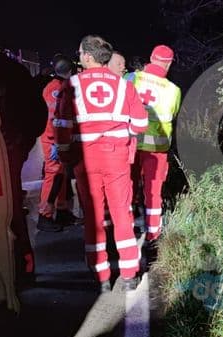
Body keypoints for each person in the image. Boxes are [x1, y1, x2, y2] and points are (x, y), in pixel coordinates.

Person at [53, 35, 149, 292]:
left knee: (94, 217)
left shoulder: (71, 85)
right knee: (122, 215)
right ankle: (129, 274)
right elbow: (140, 124)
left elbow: (62, 127)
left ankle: (102, 276)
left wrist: (65, 157)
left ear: (86, 56)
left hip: (86, 159)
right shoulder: (125, 87)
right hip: (117, 158)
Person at [0, 32, 46, 287]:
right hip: (5, 151)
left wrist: (17, 144)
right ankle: (18, 269)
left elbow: (35, 113)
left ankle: (15, 270)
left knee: (7, 211)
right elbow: (38, 113)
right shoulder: (11, 71)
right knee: (11, 210)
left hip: (1, 153)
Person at [125, 45, 181, 262]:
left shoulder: (131, 78)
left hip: (130, 145)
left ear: (150, 58)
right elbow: (173, 114)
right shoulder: (173, 90)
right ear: (169, 63)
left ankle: (126, 236)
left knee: (127, 191)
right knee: (153, 195)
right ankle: (153, 240)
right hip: (156, 150)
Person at [37, 54, 80, 232]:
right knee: (53, 175)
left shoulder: (52, 87)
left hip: (55, 138)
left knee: (60, 174)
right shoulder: (59, 89)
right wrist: (57, 142)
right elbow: (57, 119)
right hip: (52, 139)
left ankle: (62, 211)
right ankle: (44, 215)